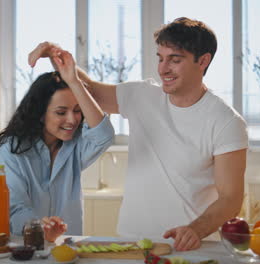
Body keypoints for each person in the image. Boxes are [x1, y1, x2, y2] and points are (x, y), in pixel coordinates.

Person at [28, 17, 248, 251]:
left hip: (189, 246)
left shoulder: (226, 121)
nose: (163, 69)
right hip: (131, 242)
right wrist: (57, 57)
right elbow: (90, 91)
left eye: (175, 60)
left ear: (203, 61)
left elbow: (230, 198)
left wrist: (195, 229)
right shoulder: (142, 95)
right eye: (160, 58)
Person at [0, 50, 114, 242]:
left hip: (61, 245)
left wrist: (75, 82)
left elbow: (103, 135)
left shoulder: (75, 146)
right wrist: (40, 228)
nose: (72, 120)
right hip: (14, 245)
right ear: (39, 113)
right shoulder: (11, 149)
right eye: (61, 112)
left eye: (77, 111)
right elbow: (13, 208)